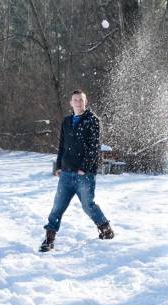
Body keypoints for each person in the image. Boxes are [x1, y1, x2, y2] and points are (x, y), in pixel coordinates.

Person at [40, 90, 114, 252]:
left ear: (85, 102)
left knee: (88, 206)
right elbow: (62, 146)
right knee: (57, 207)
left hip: (84, 174)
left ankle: (106, 229)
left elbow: (94, 147)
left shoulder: (92, 120)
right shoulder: (66, 121)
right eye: (75, 100)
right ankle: (49, 239)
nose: (78, 103)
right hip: (66, 173)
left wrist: (84, 168)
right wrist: (59, 166)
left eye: (81, 100)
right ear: (71, 102)